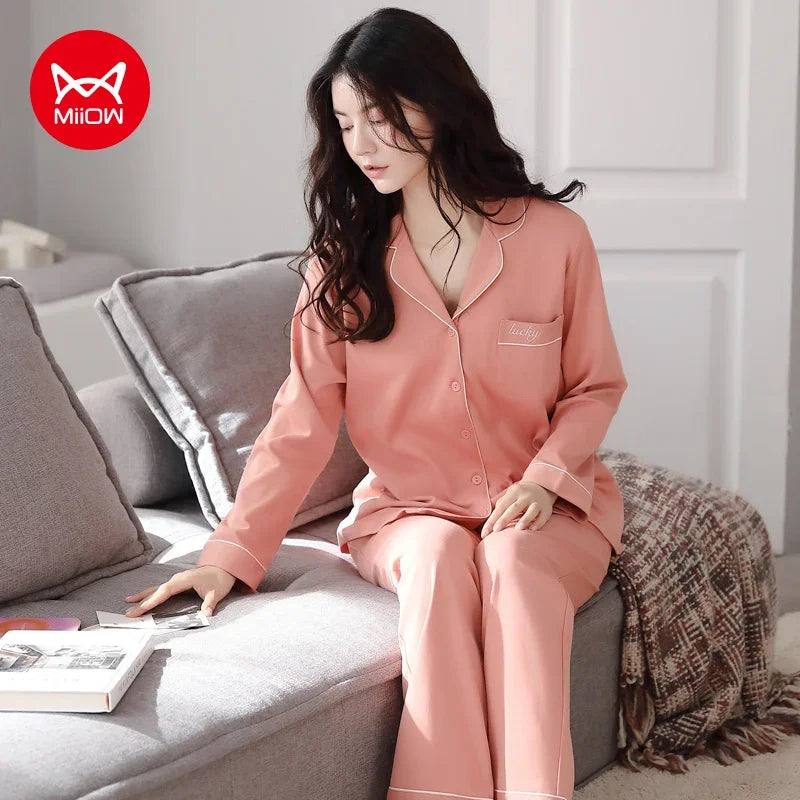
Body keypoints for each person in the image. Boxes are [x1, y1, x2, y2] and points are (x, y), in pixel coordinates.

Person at [124, 8, 628, 800]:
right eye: (345, 122)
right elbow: (301, 421)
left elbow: (594, 386)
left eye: (381, 116)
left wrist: (544, 478)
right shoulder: (342, 266)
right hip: (407, 511)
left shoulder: (554, 238)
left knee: (513, 561)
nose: (362, 143)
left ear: (439, 103)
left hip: (548, 505)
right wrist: (228, 556)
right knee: (438, 560)